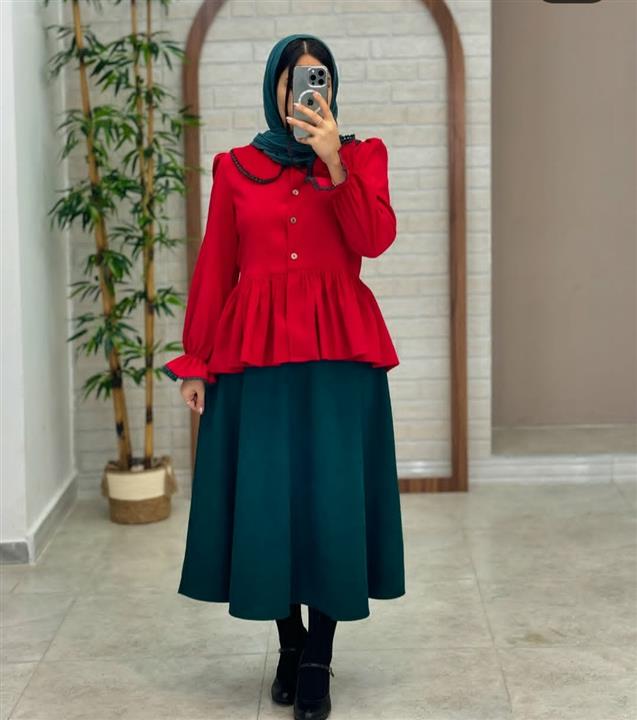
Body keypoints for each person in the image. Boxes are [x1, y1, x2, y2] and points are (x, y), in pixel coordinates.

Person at [163, 33, 406, 720]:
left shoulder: (362, 157)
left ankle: (319, 656)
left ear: (331, 87)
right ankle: (290, 642)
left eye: (316, 77)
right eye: (292, 78)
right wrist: (195, 361)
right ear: (274, 87)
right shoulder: (235, 167)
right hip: (255, 354)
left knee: (332, 500)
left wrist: (333, 161)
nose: (303, 90)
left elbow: (373, 240)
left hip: (339, 355)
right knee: (268, 500)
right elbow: (216, 265)